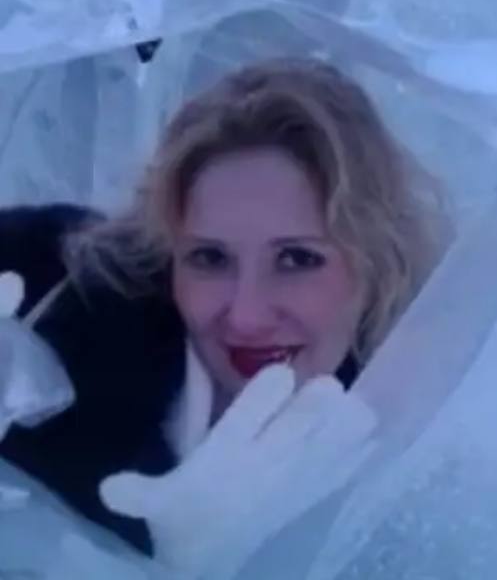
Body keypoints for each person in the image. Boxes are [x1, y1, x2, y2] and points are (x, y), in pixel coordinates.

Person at [0, 57, 442, 558]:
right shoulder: (41, 293)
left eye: (297, 259)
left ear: (377, 262)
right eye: (210, 258)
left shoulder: (414, 464)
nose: (246, 317)